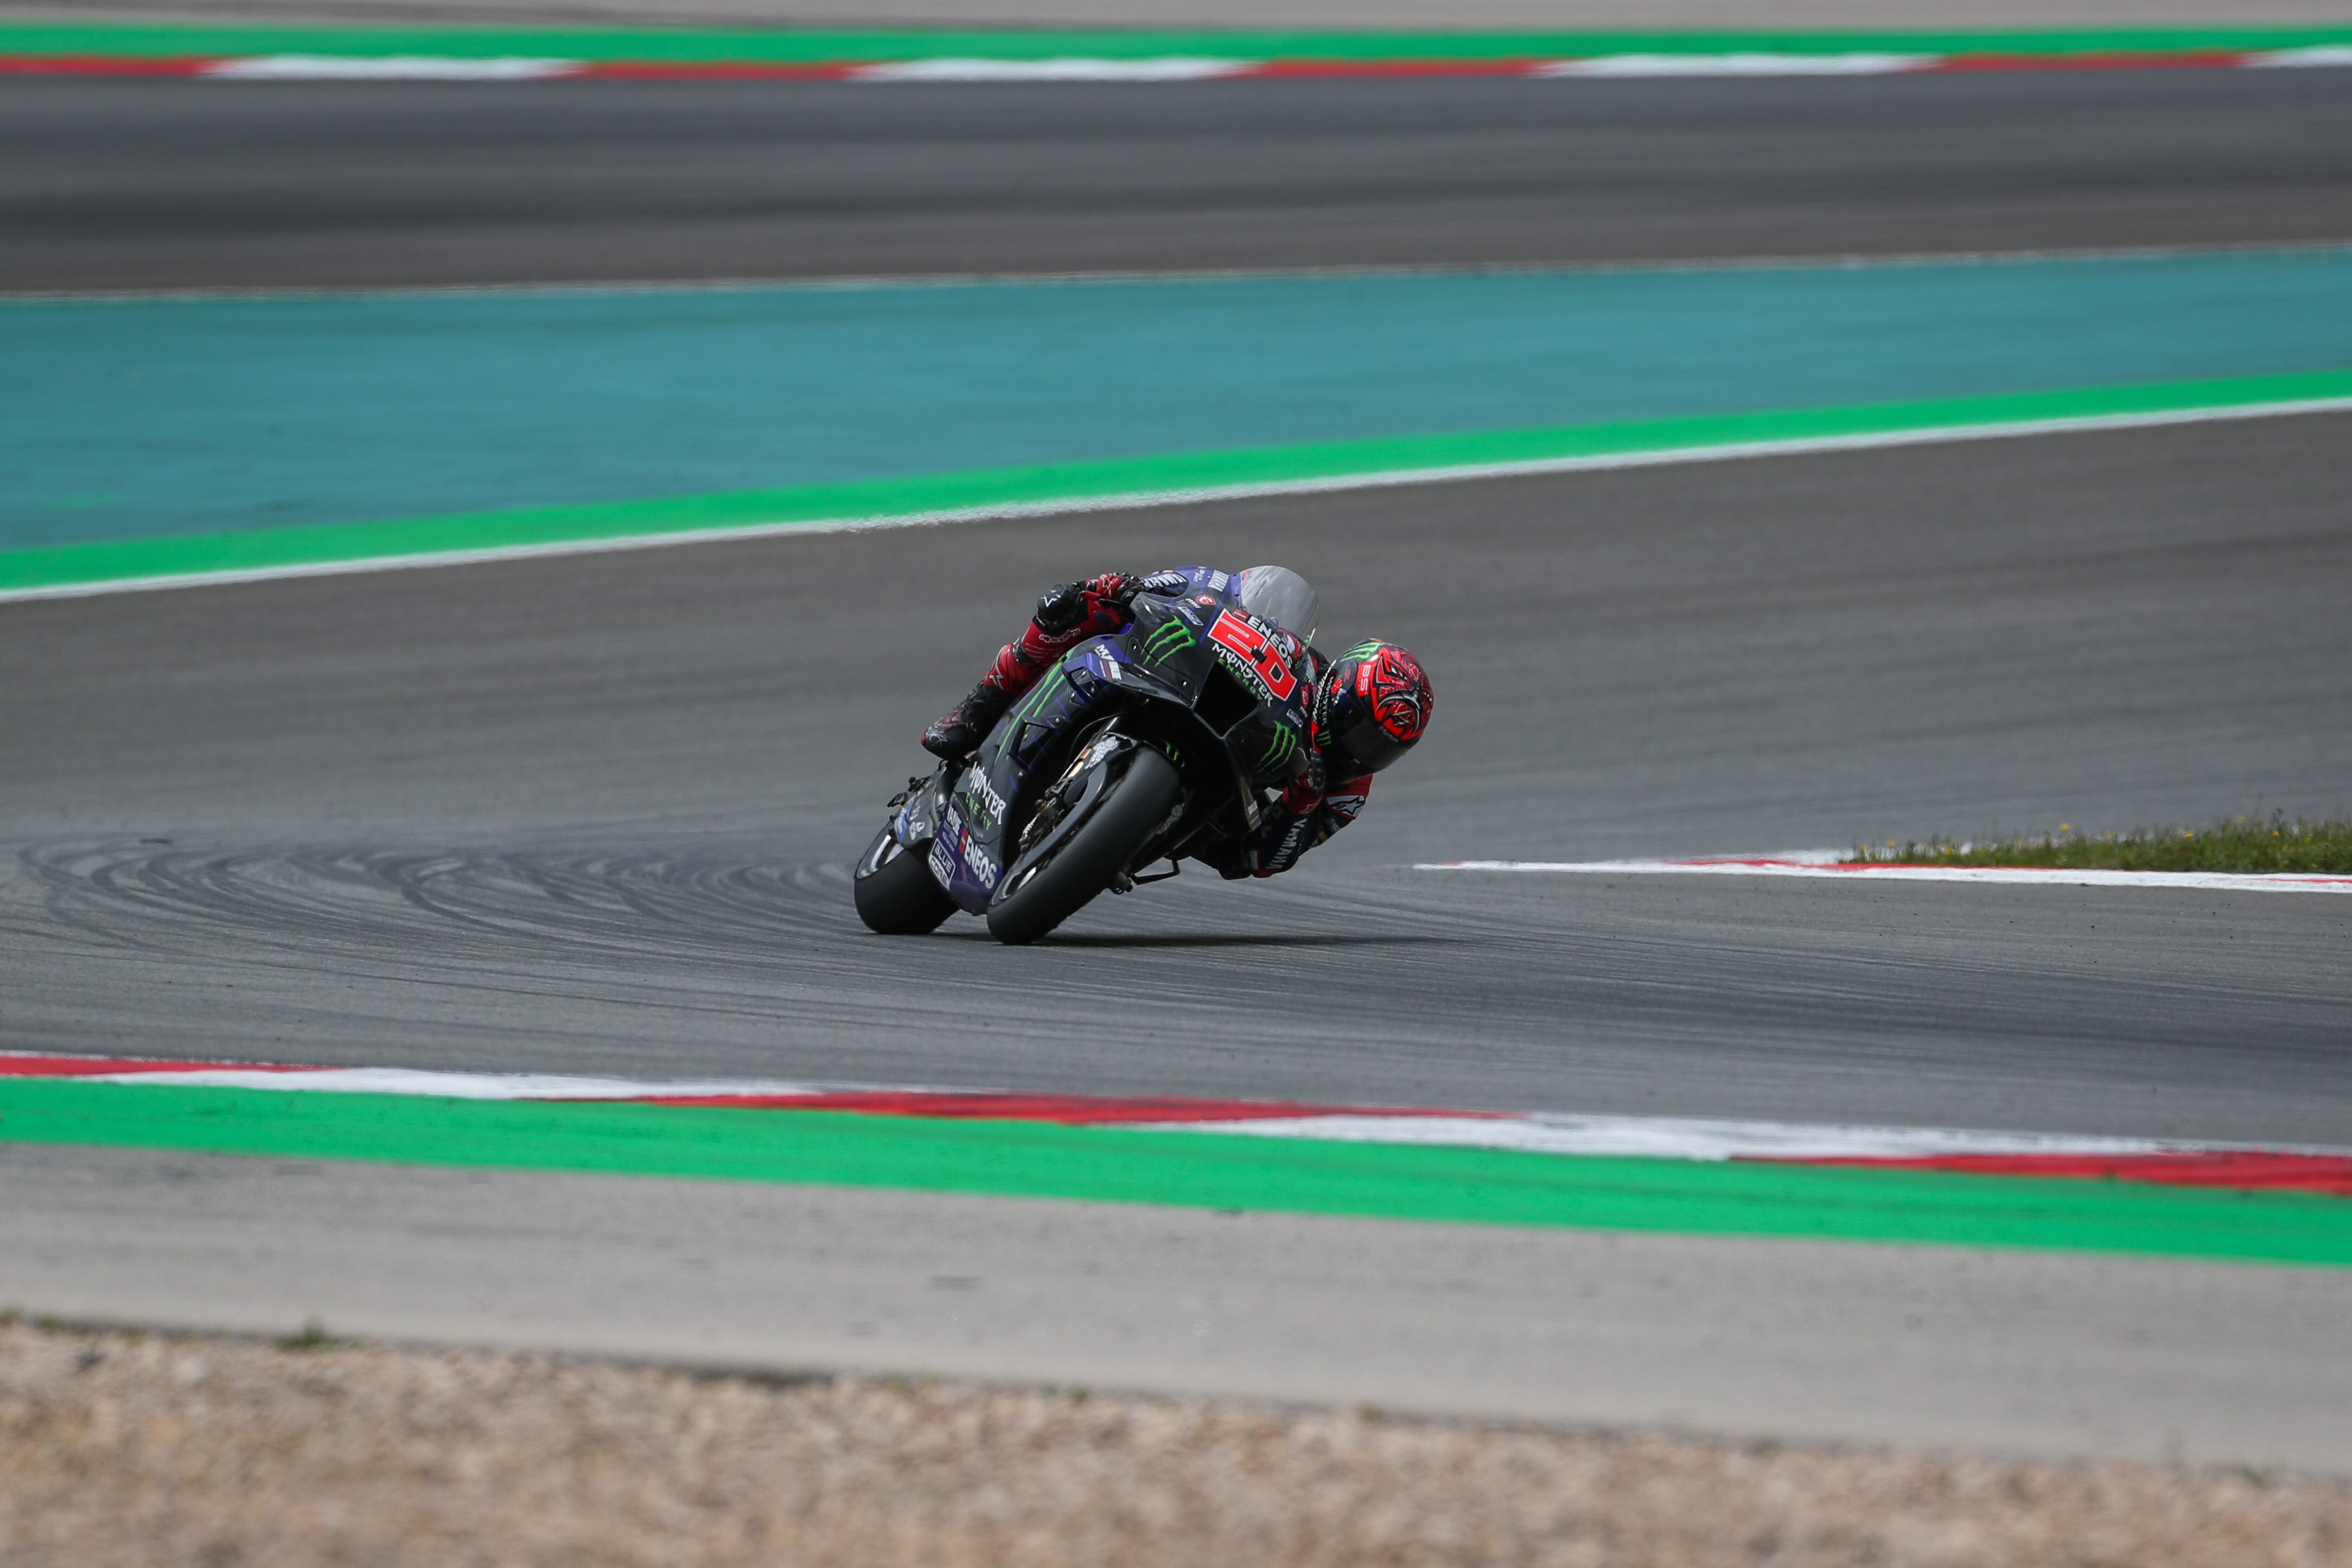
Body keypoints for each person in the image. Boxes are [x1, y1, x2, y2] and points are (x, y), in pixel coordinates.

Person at [920, 565, 1432, 879]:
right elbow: (1205, 588)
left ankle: (1116, 838)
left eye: (1384, 749)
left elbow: (1263, 863)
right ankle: (979, 706)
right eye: (1362, 730)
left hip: (1223, 806)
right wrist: (1124, 588)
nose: (1364, 752)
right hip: (1182, 692)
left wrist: (1301, 801)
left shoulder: (1349, 789)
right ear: (1339, 692)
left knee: (1235, 854)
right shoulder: (1298, 665)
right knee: (1074, 609)